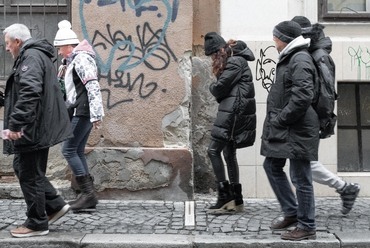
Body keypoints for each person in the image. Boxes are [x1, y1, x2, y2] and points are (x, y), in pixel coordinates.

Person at [2, 23, 73, 238]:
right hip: (37, 125)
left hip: (32, 128)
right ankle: (54, 205)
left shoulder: (30, 57)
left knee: (29, 174)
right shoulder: (34, 56)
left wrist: (16, 125)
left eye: (7, 44)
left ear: (17, 41)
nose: (6, 48)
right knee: (26, 169)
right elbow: (26, 90)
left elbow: (31, 92)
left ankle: (36, 223)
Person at [292, 15, 361, 215]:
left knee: (306, 164)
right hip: (310, 116)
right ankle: (342, 189)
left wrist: (320, 119)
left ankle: (343, 188)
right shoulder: (314, 53)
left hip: (311, 117)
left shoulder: (318, 55)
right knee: (303, 165)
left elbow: (326, 92)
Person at [261, 21, 319, 241]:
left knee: (300, 177)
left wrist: (282, 118)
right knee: (272, 165)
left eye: (275, 37)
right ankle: (291, 212)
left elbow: (303, 96)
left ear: (283, 38)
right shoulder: (291, 56)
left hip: (298, 127)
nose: (273, 40)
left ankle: (306, 225)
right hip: (289, 126)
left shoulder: (300, 59)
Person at [54, 20, 104, 212]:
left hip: (82, 112)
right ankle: (87, 195)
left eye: (60, 48)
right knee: (77, 150)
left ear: (69, 46)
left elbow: (92, 84)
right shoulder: (73, 60)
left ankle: (88, 194)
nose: (59, 52)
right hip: (81, 110)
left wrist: (97, 114)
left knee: (68, 150)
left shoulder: (82, 59)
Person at [203, 32, 256, 214]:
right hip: (233, 111)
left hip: (232, 113)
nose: (212, 59)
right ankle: (236, 200)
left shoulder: (235, 62)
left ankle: (225, 198)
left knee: (213, 150)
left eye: (212, 55)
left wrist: (211, 86)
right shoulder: (236, 61)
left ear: (219, 51)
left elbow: (219, 89)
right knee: (228, 152)